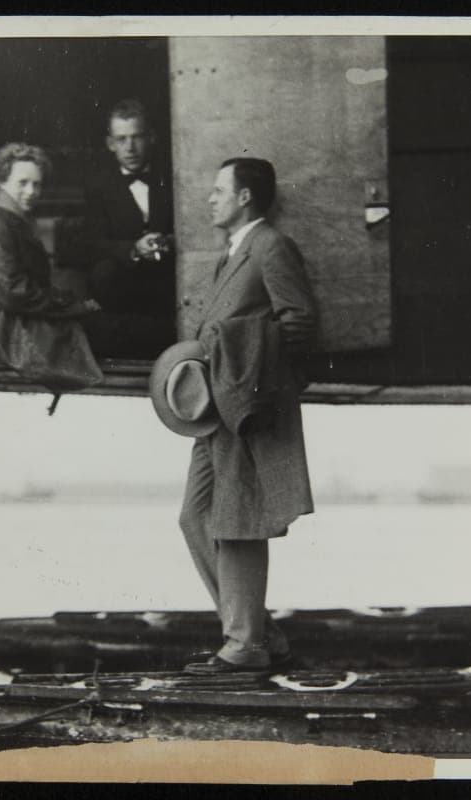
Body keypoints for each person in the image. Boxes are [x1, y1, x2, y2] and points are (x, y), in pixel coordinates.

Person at [178, 157, 317, 675]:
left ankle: (244, 646)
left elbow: (300, 321)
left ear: (244, 198)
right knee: (195, 517)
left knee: (238, 523)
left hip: (247, 407)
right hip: (217, 411)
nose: (210, 198)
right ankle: (262, 634)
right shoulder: (232, 254)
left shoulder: (270, 246)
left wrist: (262, 386)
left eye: (219, 190)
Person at [0, 142, 103, 391]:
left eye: (37, 184)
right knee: (116, 331)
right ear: (2, 181)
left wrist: (73, 303)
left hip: (30, 319)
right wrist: (72, 307)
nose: (31, 191)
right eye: (22, 183)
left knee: (110, 324)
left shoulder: (13, 222)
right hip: (14, 331)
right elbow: (15, 294)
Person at [82, 99, 176, 356]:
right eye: (121, 139)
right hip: (123, 285)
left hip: (167, 280)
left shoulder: (173, 177)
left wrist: (169, 240)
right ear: (110, 144)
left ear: (151, 138)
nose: (130, 148)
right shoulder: (99, 187)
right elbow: (93, 243)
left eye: (137, 137)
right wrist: (133, 249)